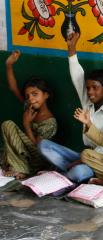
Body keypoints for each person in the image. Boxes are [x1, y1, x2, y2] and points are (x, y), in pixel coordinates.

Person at [38, 32, 103, 183]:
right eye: (88, 88)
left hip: (99, 161)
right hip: (82, 154)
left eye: (95, 88)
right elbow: (77, 76)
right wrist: (71, 48)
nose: (90, 92)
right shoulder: (87, 103)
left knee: (78, 173)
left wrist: (82, 161)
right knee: (44, 146)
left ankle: (65, 174)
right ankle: (66, 171)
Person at [2, 50, 57, 179]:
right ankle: (19, 166)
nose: (31, 99)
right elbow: (13, 88)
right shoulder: (29, 107)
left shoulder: (50, 121)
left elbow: (39, 148)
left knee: (8, 125)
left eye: (35, 94)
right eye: (28, 96)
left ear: (46, 95)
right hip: (25, 153)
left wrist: (26, 124)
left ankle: (22, 168)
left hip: (39, 159)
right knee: (7, 126)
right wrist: (9, 65)